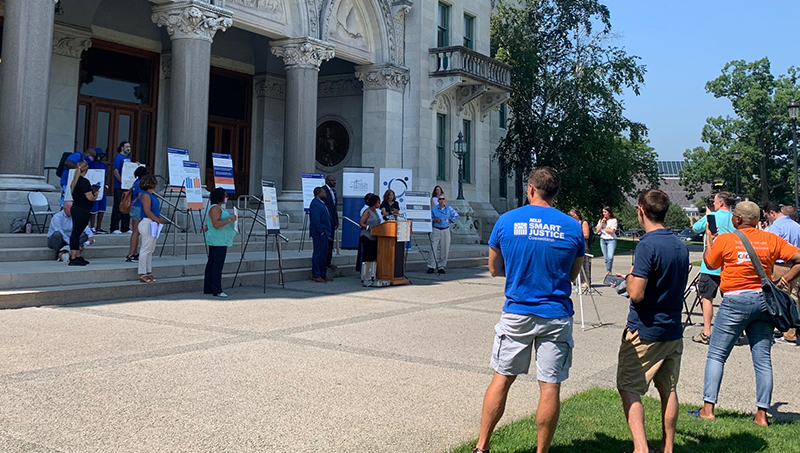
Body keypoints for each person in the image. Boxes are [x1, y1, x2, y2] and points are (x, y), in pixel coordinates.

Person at [471, 167, 584, 453]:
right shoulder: (572, 226)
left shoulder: (507, 221)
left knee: (502, 378)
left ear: (530, 189)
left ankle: (482, 446)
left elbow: (494, 269)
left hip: (517, 311)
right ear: (555, 192)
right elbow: (573, 274)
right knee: (550, 386)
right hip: (555, 312)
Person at [689, 201, 800, 427]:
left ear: (737, 219)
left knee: (717, 354)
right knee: (762, 360)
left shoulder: (727, 239)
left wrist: (711, 238)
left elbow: (709, 262)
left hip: (735, 300)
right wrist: (784, 280)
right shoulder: (771, 239)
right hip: (764, 301)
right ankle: (761, 414)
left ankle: (708, 408)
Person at [615, 190, 689, 453]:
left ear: (640, 210)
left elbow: (636, 293)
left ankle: (640, 448)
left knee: (629, 386)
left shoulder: (647, 244)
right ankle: (667, 448)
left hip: (645, 330)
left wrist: (629, 278)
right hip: (673, 329)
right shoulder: (679, 244)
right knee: (668, 390)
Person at [691, 191, 736, 345]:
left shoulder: (713, 216)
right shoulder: (736, 218)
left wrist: (707, 215)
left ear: (721, 203)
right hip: (729, 265)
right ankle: (733, 332)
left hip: (710, 264)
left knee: (707, 298)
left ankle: (707, 332)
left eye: (715, 201)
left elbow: (695, 228)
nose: (714, 204)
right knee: (730, 299)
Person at [761, 201, 800, 345]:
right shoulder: (797, 226)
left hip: (780, 265)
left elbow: (768, 246)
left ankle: (788, 333)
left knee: (779, 298)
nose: (767, 220)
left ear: (772, 213)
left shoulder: (776, 227)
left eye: (767, 216)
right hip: (796, 265)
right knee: (794, 297)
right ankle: (794, 328)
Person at [204, 188, 237, 297]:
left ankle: (209, 287)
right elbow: (216, 224)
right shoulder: (215, 208)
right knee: (217, 265)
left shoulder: (218, 208)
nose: (226, 197)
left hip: (220, 239)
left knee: (212, 264)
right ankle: (217, 289)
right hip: (218, 240)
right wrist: (229, 220)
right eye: (224, 195)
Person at [68, 161, 98, 266]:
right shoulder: (84, 181)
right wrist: (95, 195)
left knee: (76, 231)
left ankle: (77, 255)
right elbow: (89, 197)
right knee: (76, 233)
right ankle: (73, 256)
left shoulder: (74, 181)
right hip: (82, 209)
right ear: (86, 170)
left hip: (76, 207)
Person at [137, 174, 162, 283]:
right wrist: (157, 219)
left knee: (150, 249)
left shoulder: (150, 195)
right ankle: (142, 272)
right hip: (148, 222)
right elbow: (147, 211)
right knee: (146, 249)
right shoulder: (146, 195)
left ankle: (148, 271)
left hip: (152, 223)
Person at [428, 193, 459, 274]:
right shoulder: (434, 209)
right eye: (440, 199)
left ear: (445, 200)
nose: (441, 200)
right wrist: (435, 220)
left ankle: (441, 266)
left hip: (445, 229)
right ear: (438, 201)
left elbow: (456, 215)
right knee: (433, 248)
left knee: (444, 248)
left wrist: (451, 221)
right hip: (436, 229)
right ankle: (431, 266)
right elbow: (429, 218)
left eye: (443, 199)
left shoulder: (449, 208)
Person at [309, 186, 332, 283]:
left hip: (325, 233)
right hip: (320, 234)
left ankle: (323, 274)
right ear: (319, 194)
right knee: (318, 254)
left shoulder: (322, 203)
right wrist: (321, 232)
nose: (325, 194)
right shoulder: (315, 204)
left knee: (323, 254)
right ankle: (316, 274)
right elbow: (315, 220)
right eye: (323, 192)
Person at [126, 166, 149, 263]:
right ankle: (131, 254)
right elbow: (141, 197)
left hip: (133, 207)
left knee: (136, 231)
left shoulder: (135, 182)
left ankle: (134, 252)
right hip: (139, 208)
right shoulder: (141, 184)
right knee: (136, 231)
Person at [359, 194, 382, 286]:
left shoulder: (376, 212)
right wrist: (368, 228)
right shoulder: (367, 211)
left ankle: (372, 275)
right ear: (374, 203)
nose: (379, 204)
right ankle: (365, 276)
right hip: (367, 236)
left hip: (375, 236)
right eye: (378, 202)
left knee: (373, 256)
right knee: (367, 256)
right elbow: (361, 223)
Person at [110, 141, 133, 234]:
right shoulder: (118, 157)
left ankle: (125, 227)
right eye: (127, 146)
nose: (128, 148)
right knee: (118, 206)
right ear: (122, 147)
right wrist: (121, 181)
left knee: (127, 205)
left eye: (129, 146)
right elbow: (116, 171)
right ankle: (114, 227)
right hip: (119, 186)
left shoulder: (128, 158)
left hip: (127, 187)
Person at [569, 208, 592, 287]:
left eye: (573, 215)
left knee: (584, 262)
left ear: (577, 214)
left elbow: (586, 235)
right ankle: (575, 280)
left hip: (583, 243)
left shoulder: (583, 222)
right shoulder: (572, 223)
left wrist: (577, 233)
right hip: (575, 243)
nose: (571, 217)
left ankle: (586, 281)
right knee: (574, 262)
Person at [87, 150, 108, 234]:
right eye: (99, 155)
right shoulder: (91, 164)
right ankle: (92, 226)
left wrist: (106, 185)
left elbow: (106, 175)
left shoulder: (103, 164)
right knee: (94, 208)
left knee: (102, 208)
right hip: (93, 187)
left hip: (102, 187)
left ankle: (99, 227)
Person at [322, 175, 339, 271]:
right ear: (327, 181)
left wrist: (336, 220)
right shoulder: (322, 191)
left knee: (331, 243)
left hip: (332, 221)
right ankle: (324, 262)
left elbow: (334, 207)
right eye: (333, 180)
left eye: (335, 180)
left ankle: (328, 261)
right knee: (326, 243)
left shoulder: (333, 192)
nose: (335, 182)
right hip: (326, 221)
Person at [595, 206, 618, 276]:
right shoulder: (601, 220)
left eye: (605, 212)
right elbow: (597, 231)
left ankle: (609, 271)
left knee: (610, 257)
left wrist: (603, 229)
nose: (604, 214)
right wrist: (602, 223)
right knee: (606, 257)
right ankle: (608, 271)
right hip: (603, 240)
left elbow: (612, 231)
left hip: (611, 240)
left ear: (609, 213)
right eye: (603, 212)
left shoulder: (613, 220)